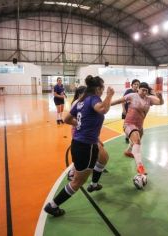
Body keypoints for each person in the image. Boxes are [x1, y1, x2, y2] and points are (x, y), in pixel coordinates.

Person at [44, 75, 114, 217]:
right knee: (77, 182)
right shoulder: (95, 99)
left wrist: (79, 124)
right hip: (87, 147)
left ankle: (94, 184)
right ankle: (53, 205)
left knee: (102, 158)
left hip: (77, 143)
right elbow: (103, 109)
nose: (103, 91)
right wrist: (110, 95)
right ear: (98, 89)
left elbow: (66, 119)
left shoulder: (81, 101)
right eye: (103, 88)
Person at [111, 82, 164, 175]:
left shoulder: (149, 99)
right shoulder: (132, 95)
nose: (144, 92)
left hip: (139, 126)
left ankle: (128, 151)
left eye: (146, 91)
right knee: (137, 141)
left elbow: (160, 103)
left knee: (136, 143)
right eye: (142, 90)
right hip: (129, 124)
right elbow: (118, 101)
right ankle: (140, 167)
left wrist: (160, 97)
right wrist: (105, 104)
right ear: (138, 89)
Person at [67, 85, 110, 193]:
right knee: (96, 155)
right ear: (81, 94)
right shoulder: (79, 102)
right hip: (82, 133)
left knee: (99, 155)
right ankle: (74, 173)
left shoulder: (83, 102)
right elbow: (71, 119)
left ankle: (93, 175)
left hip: (85, 132)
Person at [122, 79, 140, 144]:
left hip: (135, 112)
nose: (136, 85)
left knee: (134, 125)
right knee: (126, 125)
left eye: (137, 84)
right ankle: (127, 136)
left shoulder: (138, 92)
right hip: (127, 111)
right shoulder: (128, 91)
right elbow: (123, 100)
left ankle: (132, 136)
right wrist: (124, 110)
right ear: (132, 85)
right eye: (135, 84)